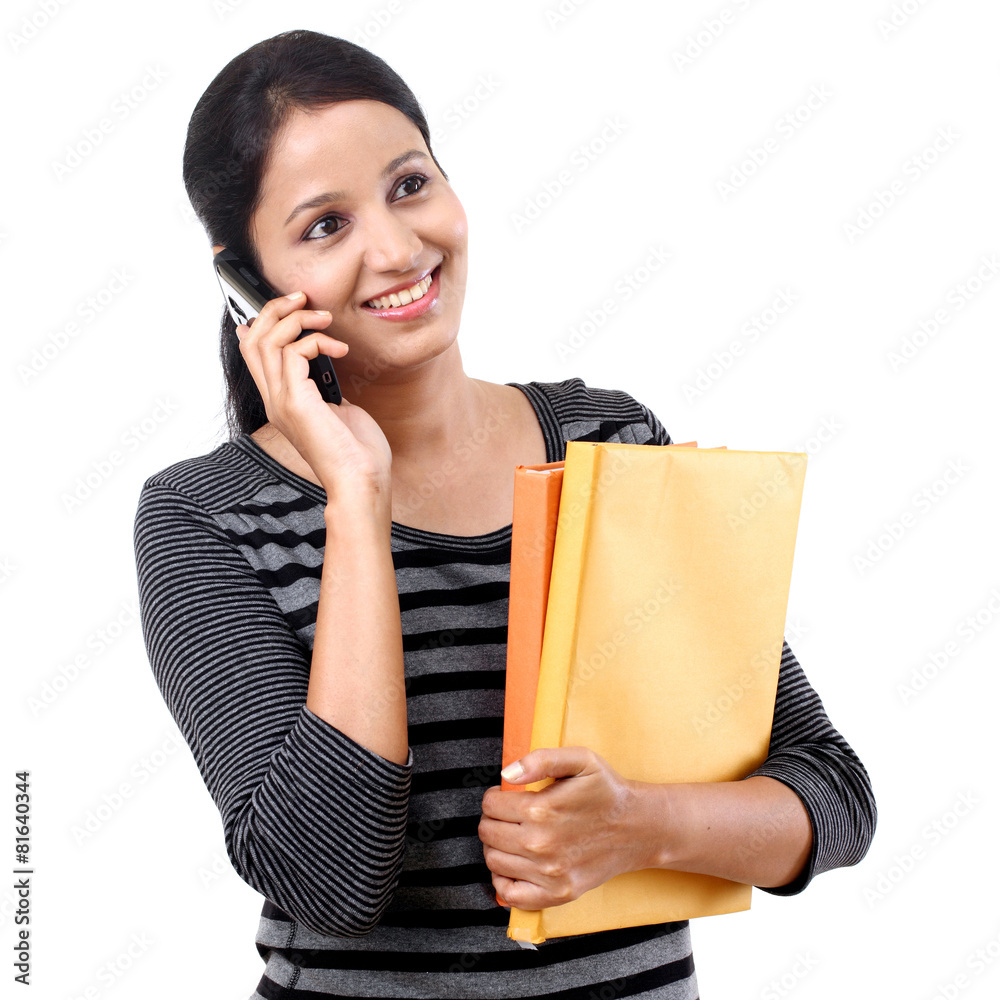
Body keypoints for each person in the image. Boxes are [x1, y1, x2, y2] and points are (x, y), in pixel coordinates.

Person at [132, 28, 876, 1000]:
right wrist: (356, 495)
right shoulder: (205, 515)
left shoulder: (609, 441)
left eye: (409, 185)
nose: (397, 249)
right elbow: (330, 876)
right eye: (325, 226)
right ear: (249, 285)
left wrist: (638, 825)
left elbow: (831, 793)